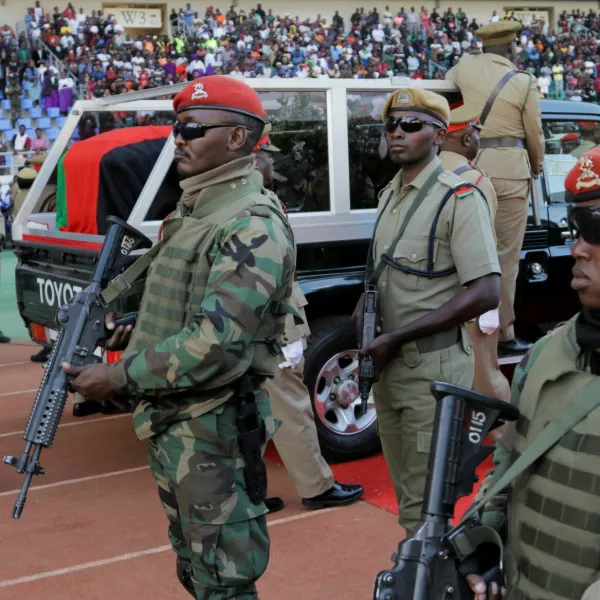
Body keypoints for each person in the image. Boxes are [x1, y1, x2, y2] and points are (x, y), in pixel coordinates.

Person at [60, 75, 297, 600]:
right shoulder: (192, 210)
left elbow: (219, 342)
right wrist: (135, 329)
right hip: (177, 421)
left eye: (192, 129)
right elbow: (184, 302)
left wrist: (117, 376)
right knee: (195, 567)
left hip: (213, 427)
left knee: (226, 581)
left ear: (237, 139)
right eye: (176, 127)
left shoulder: (250, 223)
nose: (178, 139)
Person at [354, 88, 501, 535]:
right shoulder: (388, 196)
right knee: (407, 496)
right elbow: (381, 276)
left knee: (428, 503)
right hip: (389, 365)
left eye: (411, 125)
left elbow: (486, 291)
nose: (397, 133)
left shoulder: (459, 197)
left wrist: (395, 338)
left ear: (439, 135)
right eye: (392, 126)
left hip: (431, 367)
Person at [465, 146, 600, 600]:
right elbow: (510, 461)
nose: (578, 248)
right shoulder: (545, 354)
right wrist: (482, 549)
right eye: (575, 227)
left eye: (596, 229)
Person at [254, 125, 364, 513]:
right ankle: (317, 487)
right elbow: (272, 276)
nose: (271, 164)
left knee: (241, 413)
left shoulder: (217, 202)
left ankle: (247, 495)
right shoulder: (257, 206)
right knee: (292, 407)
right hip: (270, 323)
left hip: (240, 328)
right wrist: (287, 333)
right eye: (267, 156)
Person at [446, 20, 545, 356]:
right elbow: (535, 133)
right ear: (511, 47)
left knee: (466, 252)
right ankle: (501, 332)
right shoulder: (522, 81)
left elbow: (447, 99)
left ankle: (463, 327)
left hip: (466, 164)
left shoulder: (462, 67)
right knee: (504, 257)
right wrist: (536, 165)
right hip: (509, 173)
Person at [438, 103, 511, 404]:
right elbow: (485, 247)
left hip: (430, 302)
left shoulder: (417, 173)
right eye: (476, 131)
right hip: (469, 297)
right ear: (467, 138)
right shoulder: (474, 179)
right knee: (486, 383)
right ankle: (503, 445)